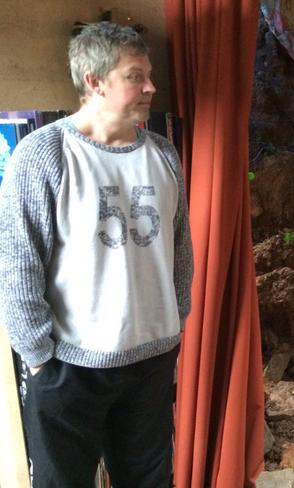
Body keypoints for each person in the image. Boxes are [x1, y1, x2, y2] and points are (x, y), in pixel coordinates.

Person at [0, 21, 193, 487]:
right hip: (71, 365)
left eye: (148, 74)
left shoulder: (164, 154)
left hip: (151, 359)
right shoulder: (45, 154)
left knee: (148, 480)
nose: (151, 86)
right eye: (134, 75)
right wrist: (40, 355)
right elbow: (17, 263)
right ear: (94, 81)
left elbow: (180, 244)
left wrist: (176, 319)